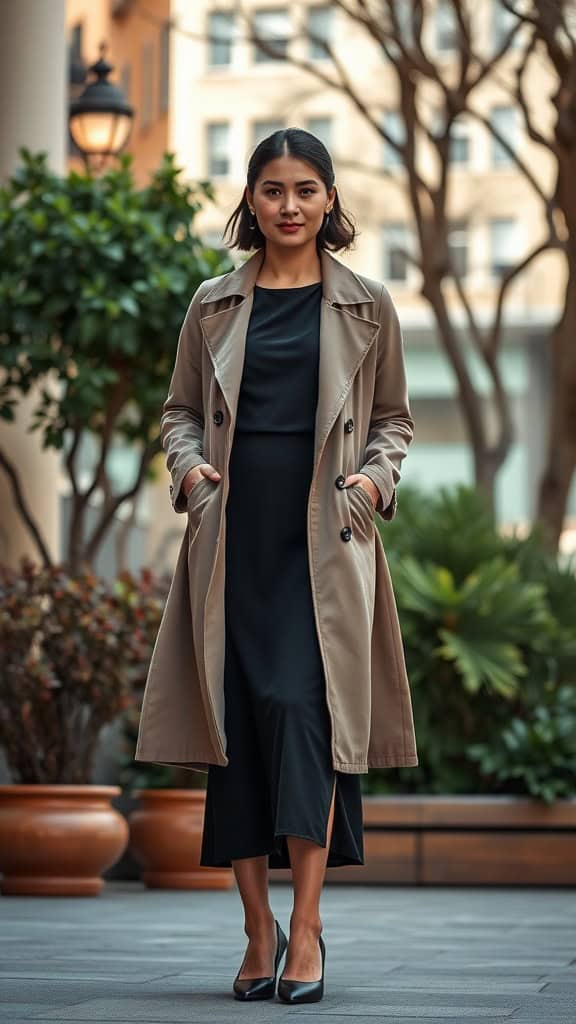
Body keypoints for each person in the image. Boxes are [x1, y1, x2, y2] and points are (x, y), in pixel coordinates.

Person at [135, 127, 418, 1005]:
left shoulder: (368, 306)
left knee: (303, 712)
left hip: (325, 548)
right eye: (272, 190)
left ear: (330, 200)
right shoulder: (212, 305)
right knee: (241, 732)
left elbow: (395, 421)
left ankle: (306, 930)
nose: (288, 205)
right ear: (250, 202)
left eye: (305, 189)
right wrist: (188, 470)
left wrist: (373, 480)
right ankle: (257, 929)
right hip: (233, 542)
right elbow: (179, 412)